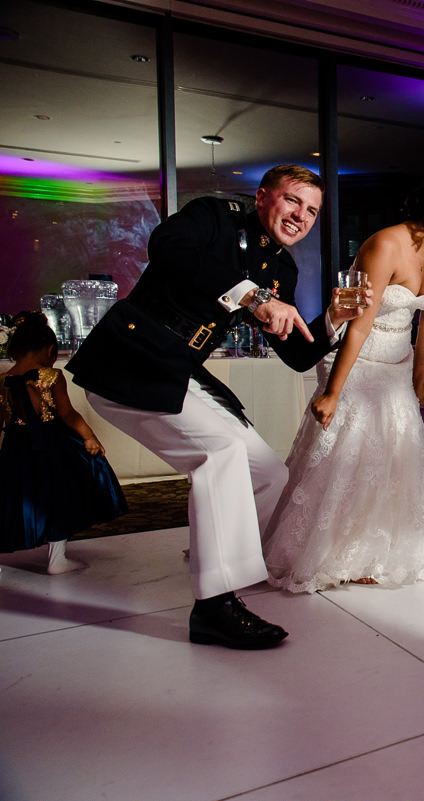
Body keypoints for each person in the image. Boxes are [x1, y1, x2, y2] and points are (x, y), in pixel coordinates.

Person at [67, 164, 367, 649]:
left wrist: (332, 318)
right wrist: (252, 297)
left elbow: (294, 355)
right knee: (223, 452)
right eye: (293, 201)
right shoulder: (215, 217)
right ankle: (213, 606)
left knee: (268, 472)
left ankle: (214, 555)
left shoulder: (283, 267)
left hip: (178, 372)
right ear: (263, 197)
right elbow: (167, 248)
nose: (301, 216)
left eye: (311, 211)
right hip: (130, 361)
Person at [262, 170, 424, 592]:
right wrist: (332, 391)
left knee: (395, 456)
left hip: (397, 366)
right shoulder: (385, 243)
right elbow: (357, 325)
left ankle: (377, 547)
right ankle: (333, 550)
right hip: (356, 361)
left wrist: (418, 381)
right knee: (347, 458)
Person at [1, 314, 126, 574]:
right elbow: (68, 414)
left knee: (14, 497)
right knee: (61, 494)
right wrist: (90, 437)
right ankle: (57, 558)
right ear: (50, 350)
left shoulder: (2, 380)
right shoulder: (52, 376)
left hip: (16, 446)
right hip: (52, 444)